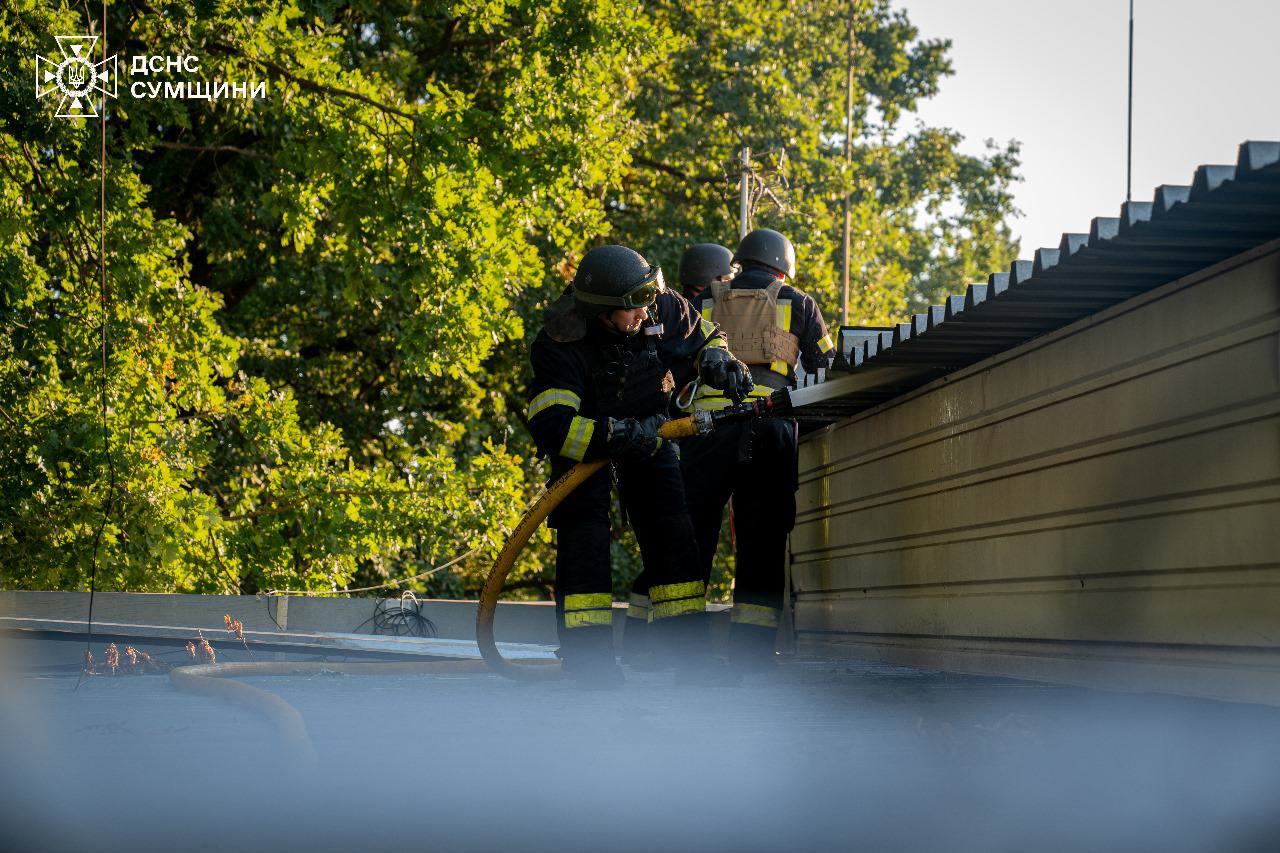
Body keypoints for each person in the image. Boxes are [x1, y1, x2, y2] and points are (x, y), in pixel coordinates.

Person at [525, 244, 753, 687]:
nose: (645, 317)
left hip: (653, 434)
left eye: (648, 304)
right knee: (584, 541)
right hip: (586, 448)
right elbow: (553, 426)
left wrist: (717, 359)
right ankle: (589, 664)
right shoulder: (561, 340)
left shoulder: (658, 304)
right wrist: (613, 435)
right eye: (633, 311)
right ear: (602, 312)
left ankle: (689, 659)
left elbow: (707, 335)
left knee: (674, 535)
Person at [682, 228, 835, 668]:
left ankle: (681, 649)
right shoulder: (799, 303)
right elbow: (827, 368)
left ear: (741, 263)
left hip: (703, 435)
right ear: (782, 268)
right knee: (763, 541)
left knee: (693, 537)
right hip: (769, 432)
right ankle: (751, 652)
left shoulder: (701, 303)